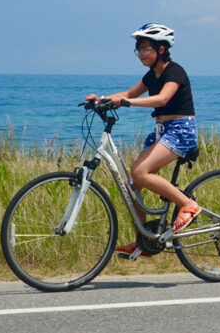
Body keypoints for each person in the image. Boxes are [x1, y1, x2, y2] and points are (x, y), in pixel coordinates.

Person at [85, 23, 201, 259]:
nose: (141, 54)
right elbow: (128, 94)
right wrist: (102, 99)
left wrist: (129, 103)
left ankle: (188, 205)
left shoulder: (174, 71)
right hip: (162, 130)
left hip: (181, 130)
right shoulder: (151, 75)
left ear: (161, 49)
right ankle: (145, 240)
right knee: (133, 184)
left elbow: (162, 98)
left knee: (140, 172)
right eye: (138, 49)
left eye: (146, 48)